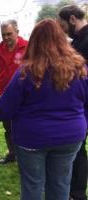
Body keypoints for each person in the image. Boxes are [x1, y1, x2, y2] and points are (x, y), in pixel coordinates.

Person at [0, 19, 87, 200]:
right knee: (61, 184)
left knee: (33, 185)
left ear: (35, 41)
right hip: (70, 137)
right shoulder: (80, 68)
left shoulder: (28, 70)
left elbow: (5, 108)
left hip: (33, 139)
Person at [59, 5, 88, 200]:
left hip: (84, 104)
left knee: (78, 150)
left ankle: (77, 194)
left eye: (62, 24)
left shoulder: (85, 41)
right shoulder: (78, 40)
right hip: (81, 103)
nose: (61, 29)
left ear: (71, 19)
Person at [0, 19, 28, 164]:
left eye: (9, 34)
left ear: (17, 32)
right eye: (3, 35)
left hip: (24, 96)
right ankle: (12, 154)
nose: (6, 37)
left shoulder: (27, 47)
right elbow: (0, 70)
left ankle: (25, 158)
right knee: (8, 127)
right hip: (6, 95)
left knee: (23, 128)